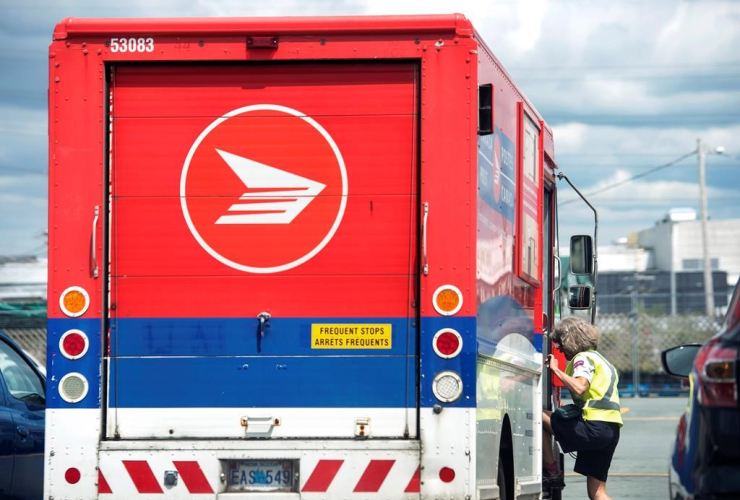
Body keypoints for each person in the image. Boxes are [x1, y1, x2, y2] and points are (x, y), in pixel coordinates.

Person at [542, 316, 623, 500]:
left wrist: (556, 369)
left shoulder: (582, 359)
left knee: (539, 415)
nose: (561, 351)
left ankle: (551, 470)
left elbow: (580, 386)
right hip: (610, 430)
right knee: (597, 493)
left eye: (561, 346)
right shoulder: (602, 360)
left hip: (593, 428)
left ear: (569, 341)